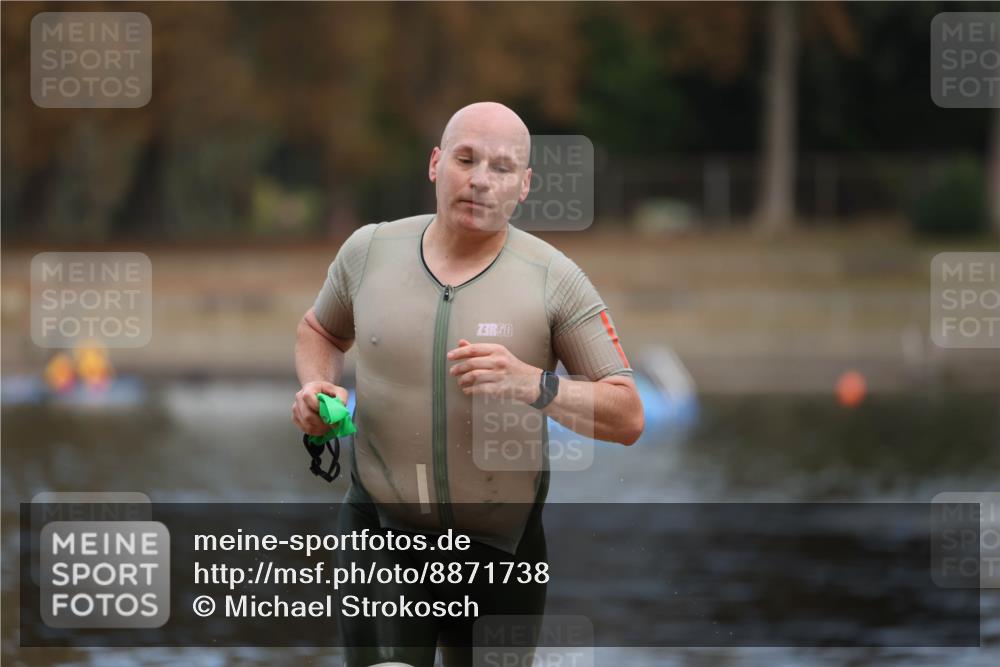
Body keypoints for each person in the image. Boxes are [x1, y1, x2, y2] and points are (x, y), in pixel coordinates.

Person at [292, 102, 643, 667]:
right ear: (435, 164)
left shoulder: (555, 279)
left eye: (502, 168)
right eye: (465, 158)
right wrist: (317, 389)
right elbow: (320, 332)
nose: (480, 179)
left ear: (525, 185)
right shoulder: (369, 252)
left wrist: (535, 384)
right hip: (384, 533)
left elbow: (627, 416)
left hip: (503, 554)